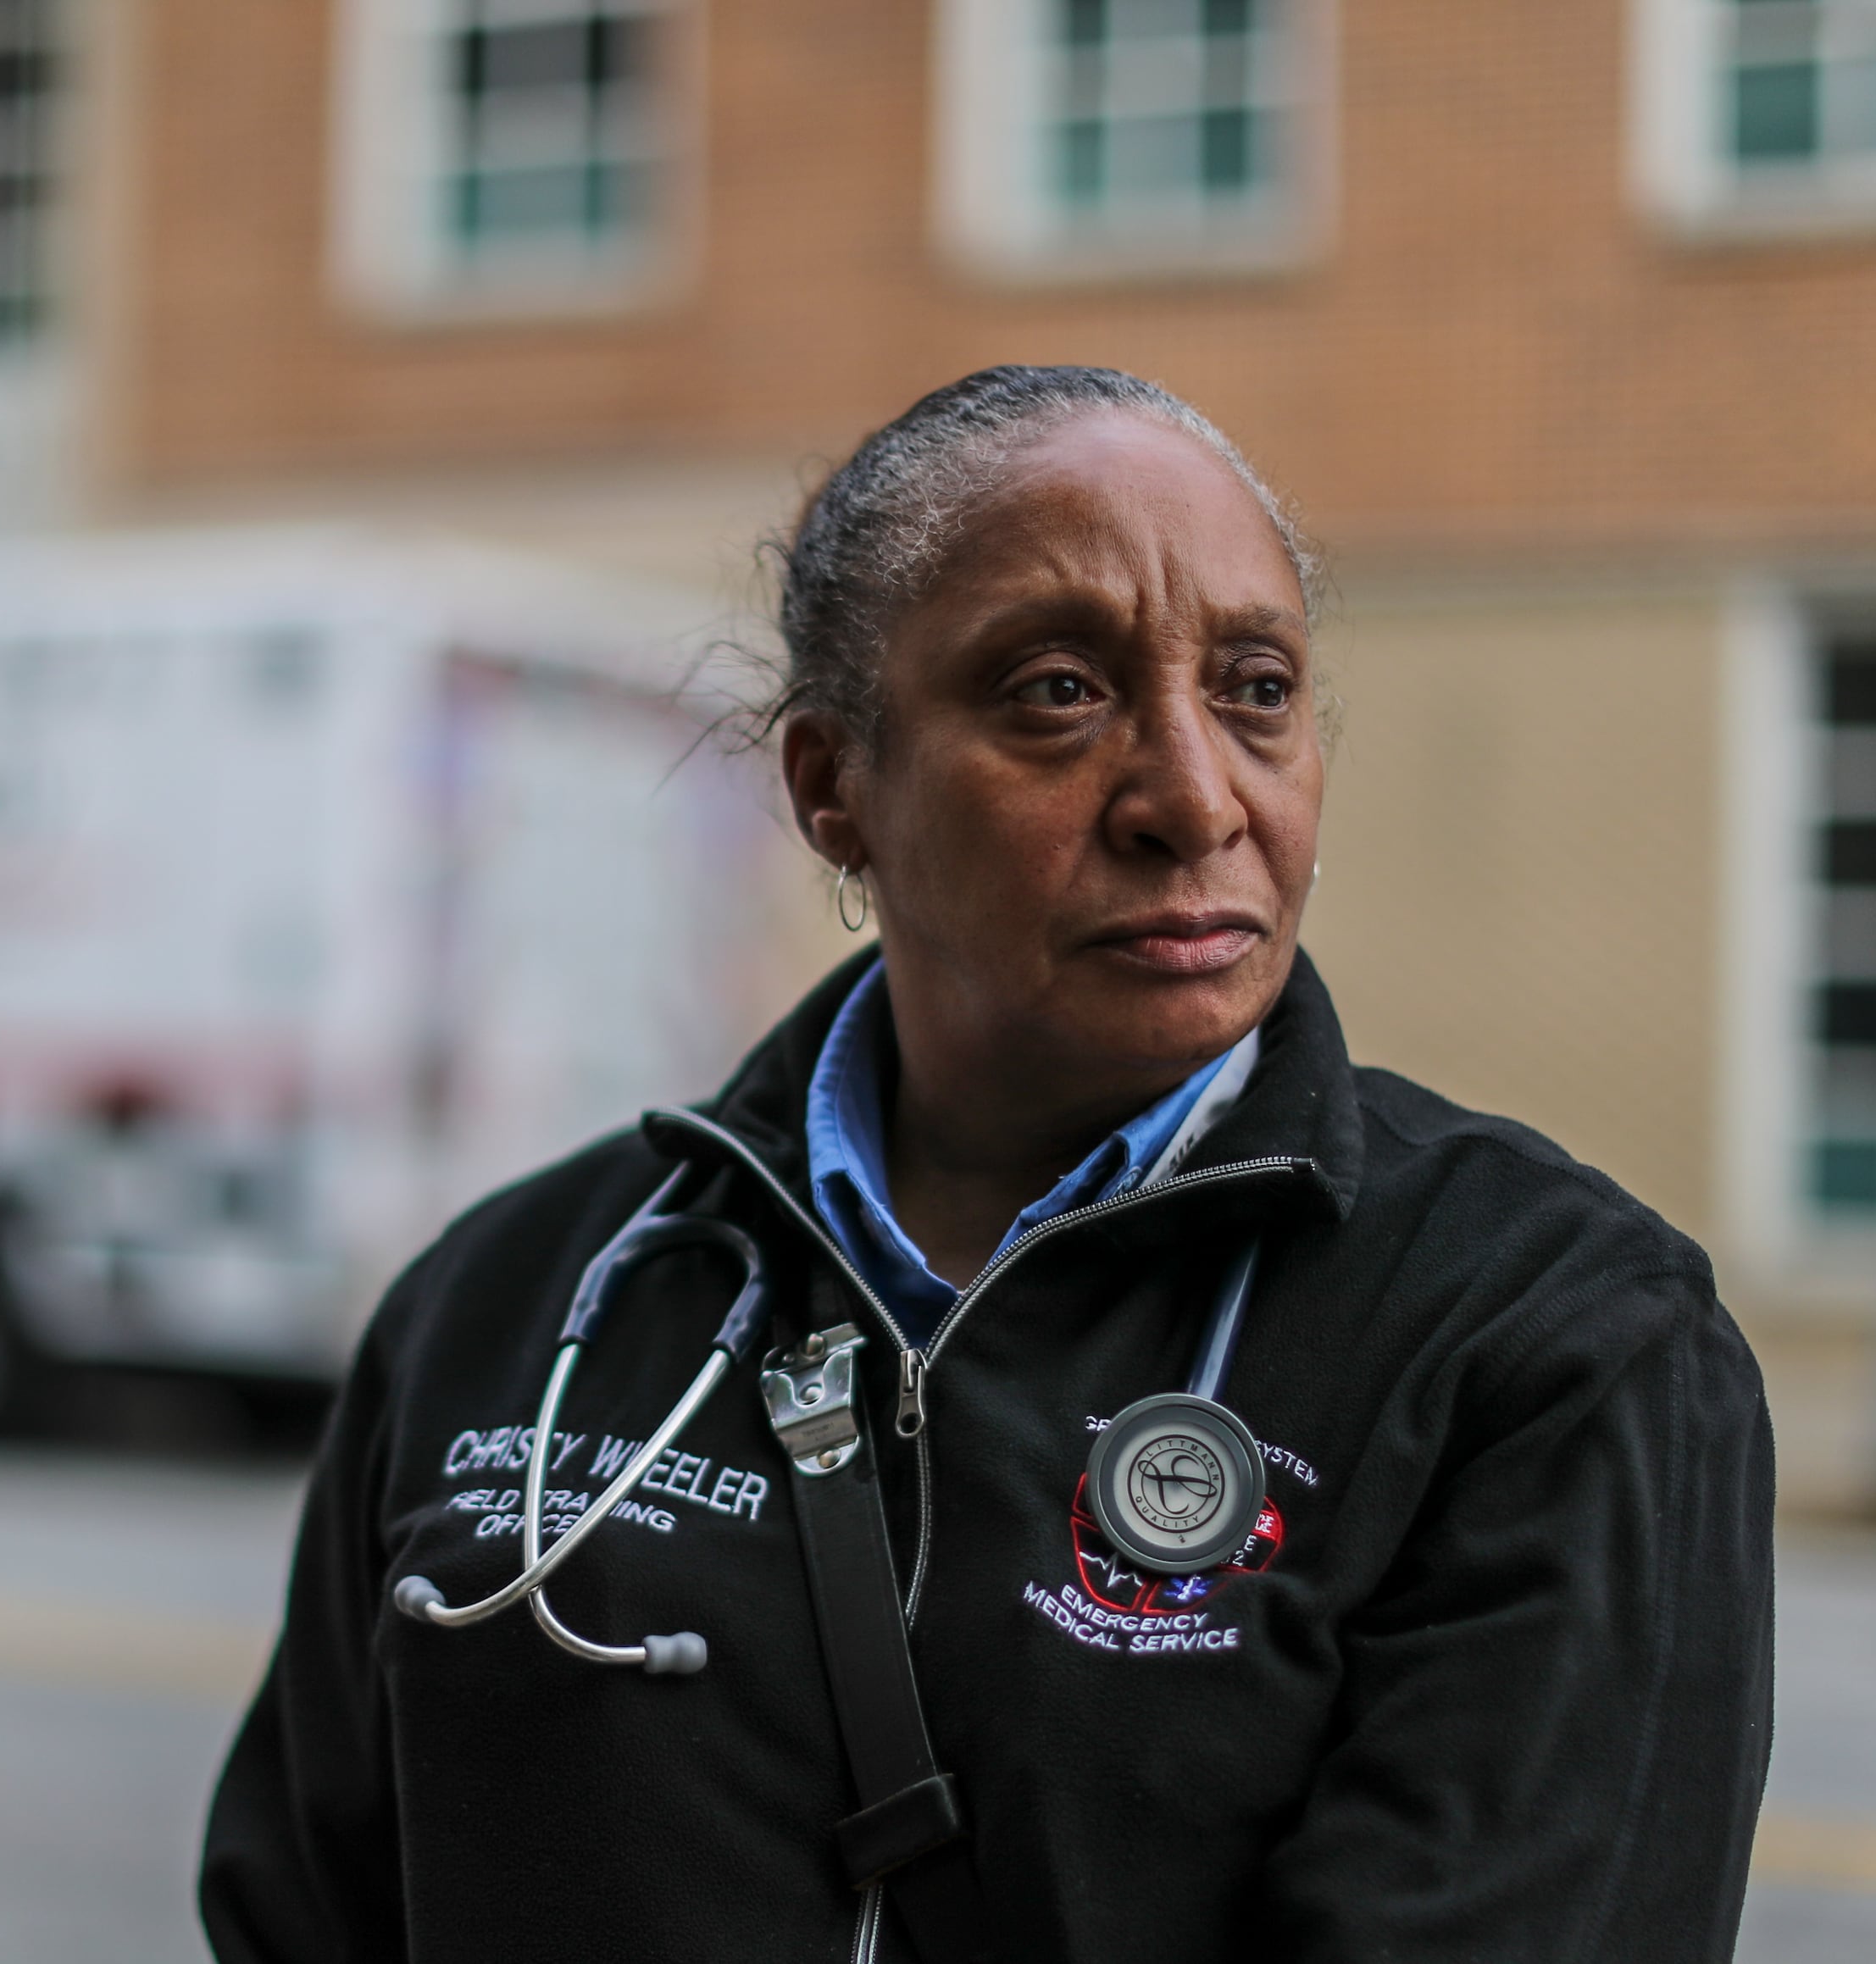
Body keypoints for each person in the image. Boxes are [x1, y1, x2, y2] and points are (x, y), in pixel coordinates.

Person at [201, 367, 1774, 1962]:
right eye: (1056, 692)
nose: (1193, 795)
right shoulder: (516, 1301)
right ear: (835, 788)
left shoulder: (1546, 1339)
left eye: (1257, 687)